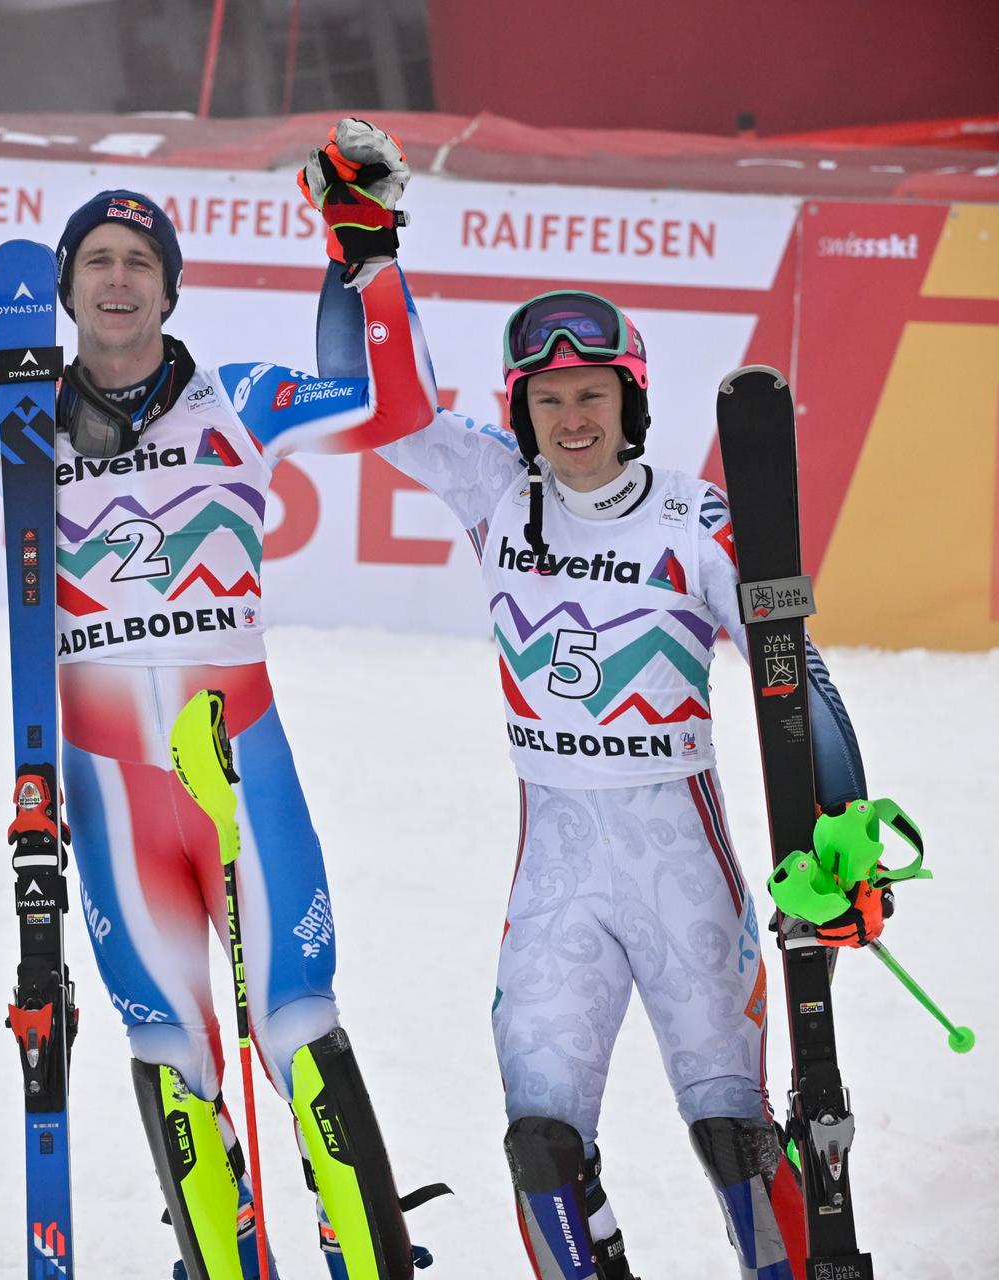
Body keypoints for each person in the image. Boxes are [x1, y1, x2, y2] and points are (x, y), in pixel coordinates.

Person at [0, 76, 444, 1280]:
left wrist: (367, 255)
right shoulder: (15, 416)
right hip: (107, 793)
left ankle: (374, 1258)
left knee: (298, 1021)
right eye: (95, 258)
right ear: (65, 285)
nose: (116, 278)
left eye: (138, 260)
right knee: (171, 1044)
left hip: (243, 767)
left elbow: (392, 399)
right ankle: (221, 1255)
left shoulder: (240, 401)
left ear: (169, 285)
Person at [303, 122, 890, 1280]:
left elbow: (796, 674)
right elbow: (376, 407)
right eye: (551, 397)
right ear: (522, 410)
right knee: (538, 1141)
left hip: (684, 864)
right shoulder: (497, 493)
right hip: (557, 872)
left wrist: (844, 835)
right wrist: (363, 256)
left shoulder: (695, 517)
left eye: (596, 394)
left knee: (737, 1132)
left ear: (633, 398)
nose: (575, 419)